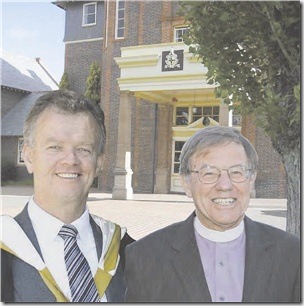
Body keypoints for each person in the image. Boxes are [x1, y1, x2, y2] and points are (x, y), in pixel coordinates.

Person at [124, 126, 300, 302]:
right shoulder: (145, 257)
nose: (225, 185)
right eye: (209, 173)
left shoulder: (293, 255)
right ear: (186, 184)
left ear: (251, 179)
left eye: (236, 172)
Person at [1, 90, 134, 302]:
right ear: (28, 156)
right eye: (54, 147)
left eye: (83, 149)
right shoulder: (6, 243)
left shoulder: (128, 252)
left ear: (99, 163)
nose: (70, 160)